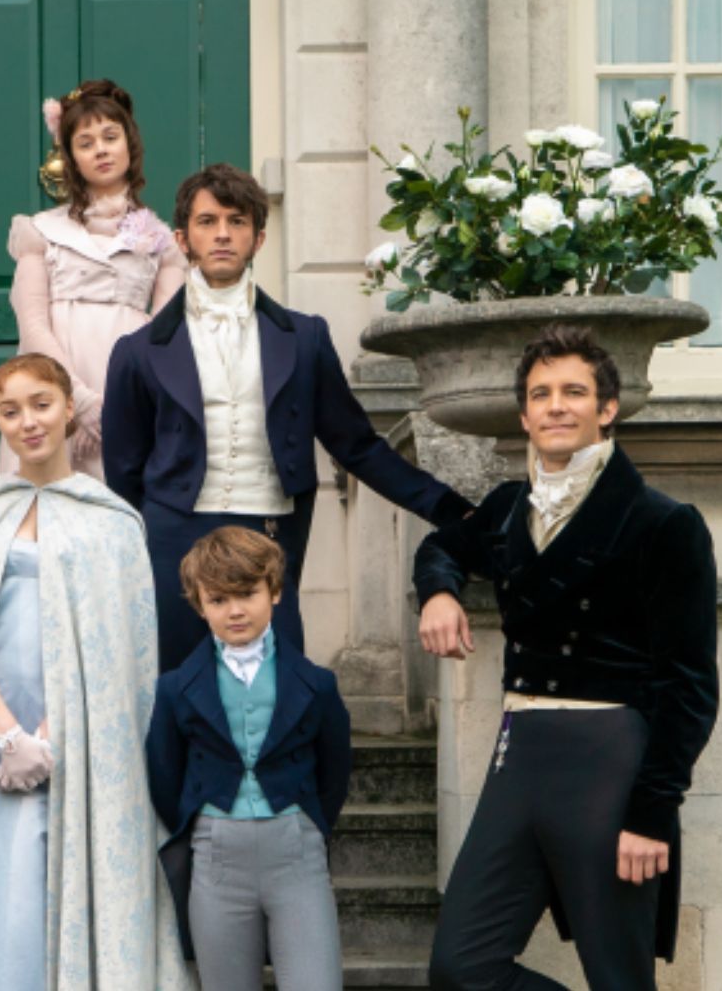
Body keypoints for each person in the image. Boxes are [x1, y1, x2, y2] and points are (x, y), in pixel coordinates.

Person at [414, 324, 718, 990]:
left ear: (606, 409)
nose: (556, 405)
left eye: (574, 392)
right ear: (523, 414)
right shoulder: (503, 508)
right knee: (463, 969)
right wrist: (439, 593)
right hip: (519, 750)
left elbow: (689, 685)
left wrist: (651, 812)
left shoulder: (662, 523)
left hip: (608, 756)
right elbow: (442, 547)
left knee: (618, 975)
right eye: (541, 393)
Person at [0, 354, 193, 991]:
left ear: (69, 410)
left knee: (57, 880)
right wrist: (8, 735)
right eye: (10, 410)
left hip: (79, 741)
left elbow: (119, 655)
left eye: (42, 404)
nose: (29, 422)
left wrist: (49, 737)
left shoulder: (115, 523)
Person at [101, 162, 473, 670]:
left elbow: (356, 445)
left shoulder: (305, 337)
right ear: (182, 239)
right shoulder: (137, 351)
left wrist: (451, 509)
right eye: (208, 222)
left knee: (280, 689)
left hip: (269, 533)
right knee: (178, 692)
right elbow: (123, 474)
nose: (223, 234)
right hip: (174, 540)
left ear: (259, 236)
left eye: (237, 221)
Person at [145, 526, 353, 991]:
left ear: (275, 592)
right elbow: (164, 774)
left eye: (247, 594)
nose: (235, 610)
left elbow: (334, 771)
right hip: (217, 857)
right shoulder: (176, 688)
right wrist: (201, 821)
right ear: (200, 606)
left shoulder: (316, 684)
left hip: (296, 853)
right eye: (218, 600)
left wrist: (306, 822)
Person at [2, 79, 185, 479]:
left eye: (110, 137)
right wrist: (78, 401)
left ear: (129, 144)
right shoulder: (40, 232)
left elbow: (164, 334)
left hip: (128, 392)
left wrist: (115, 407)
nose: (100, 149)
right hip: (51, 389)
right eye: (85, 143)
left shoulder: (164, 244)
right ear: (70, 157)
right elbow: (32, 326)